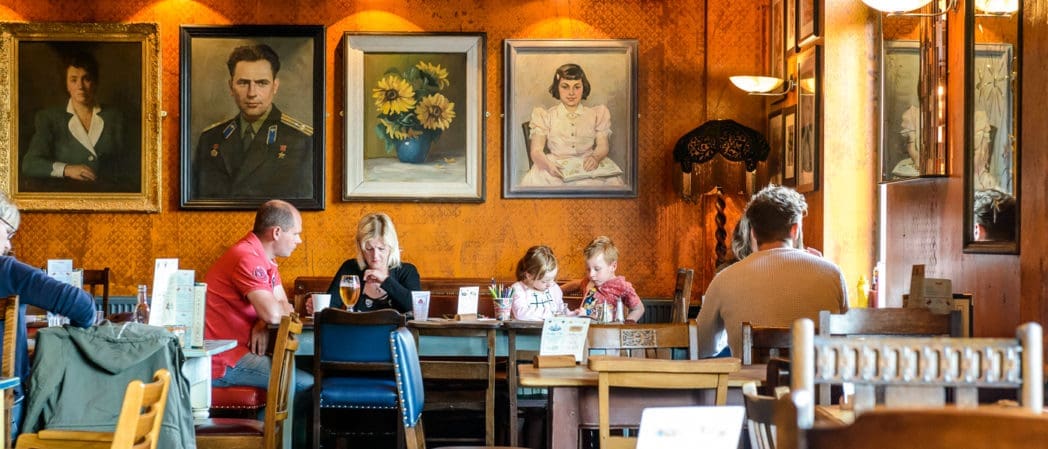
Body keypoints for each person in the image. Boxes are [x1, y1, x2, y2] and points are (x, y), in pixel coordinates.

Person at [694, 185, 847, 358]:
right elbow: (842, 338)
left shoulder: (724, 279)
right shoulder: (832, 274)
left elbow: (701, 347)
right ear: (795, 230)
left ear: (753, 232)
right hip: (815, 385)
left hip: (749, 385)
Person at [0, 192, 96, 438]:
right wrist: (66, 339)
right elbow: (83, 307)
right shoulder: (7, 271)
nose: (9, 245)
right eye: (8, 234)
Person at [204, 199, 312, 406]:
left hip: (241, 352)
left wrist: (261, 322)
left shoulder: (265, 258)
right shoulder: (246, 257)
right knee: (307, 384)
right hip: (224, 359)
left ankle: (270, 436)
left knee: (301, 378)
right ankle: (269, 437)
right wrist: (267, 316)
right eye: (296, 233)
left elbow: (284, 307)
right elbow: (274, 313)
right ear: (277, 232)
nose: (299, 241)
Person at [194, 44, 313, 199]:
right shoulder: (210, 139)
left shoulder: (300, 141)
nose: (251, 93)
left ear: (275, 86)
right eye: (243, 83)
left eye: (261, 83)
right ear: (231, 86)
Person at [21, 51, 136, 192]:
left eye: (86, 79)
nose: (80, 86)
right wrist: (67, 169)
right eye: (74, 80)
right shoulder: (49, 118)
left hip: (109, 197)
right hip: (67, 198)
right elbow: (30, 164)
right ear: (67, 85)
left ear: (95, 82)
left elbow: (131, 165)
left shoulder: (115, 117)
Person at [520, 63, 625, 187]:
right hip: (554, 166)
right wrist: (548, 166)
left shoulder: (596, 114)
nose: (571, 92)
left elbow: (603, 146)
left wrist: (596, 158)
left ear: (583, 87)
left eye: (576, 87)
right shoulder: (545, 116)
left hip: (587, 166)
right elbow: (536, 151)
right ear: (557, 88)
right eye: (565, 87)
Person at [323, 213, 421, 313]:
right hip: (357, 328)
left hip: (394, 329)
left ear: (391, 248)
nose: (375, 256)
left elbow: (417, 307)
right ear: (361, 249)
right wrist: (317, 306)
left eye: (381, 249)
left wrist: (385, 280)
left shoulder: (407, 271)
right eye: (369, 249)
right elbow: (329, 307)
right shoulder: (350, 268)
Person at [575, 236, 644, 322]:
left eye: (597, 269)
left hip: (610, 332)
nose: (591, 274)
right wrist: (557, 289)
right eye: (588, 269)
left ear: (613, 266)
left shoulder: (622, 286)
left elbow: (639, 309)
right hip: (588, 331)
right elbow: (576, 284)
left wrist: (626, 325)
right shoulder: (590, 282)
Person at [510, 245, 572, 321]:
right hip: (527, 332)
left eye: (553, 279)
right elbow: (521, 314)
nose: (550, 284)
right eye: (544, 281)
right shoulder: (518, 289)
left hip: (553, 331)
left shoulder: (554, 288)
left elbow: (561, 309)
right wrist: (551, 314)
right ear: (529, 276)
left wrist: (572, 314)